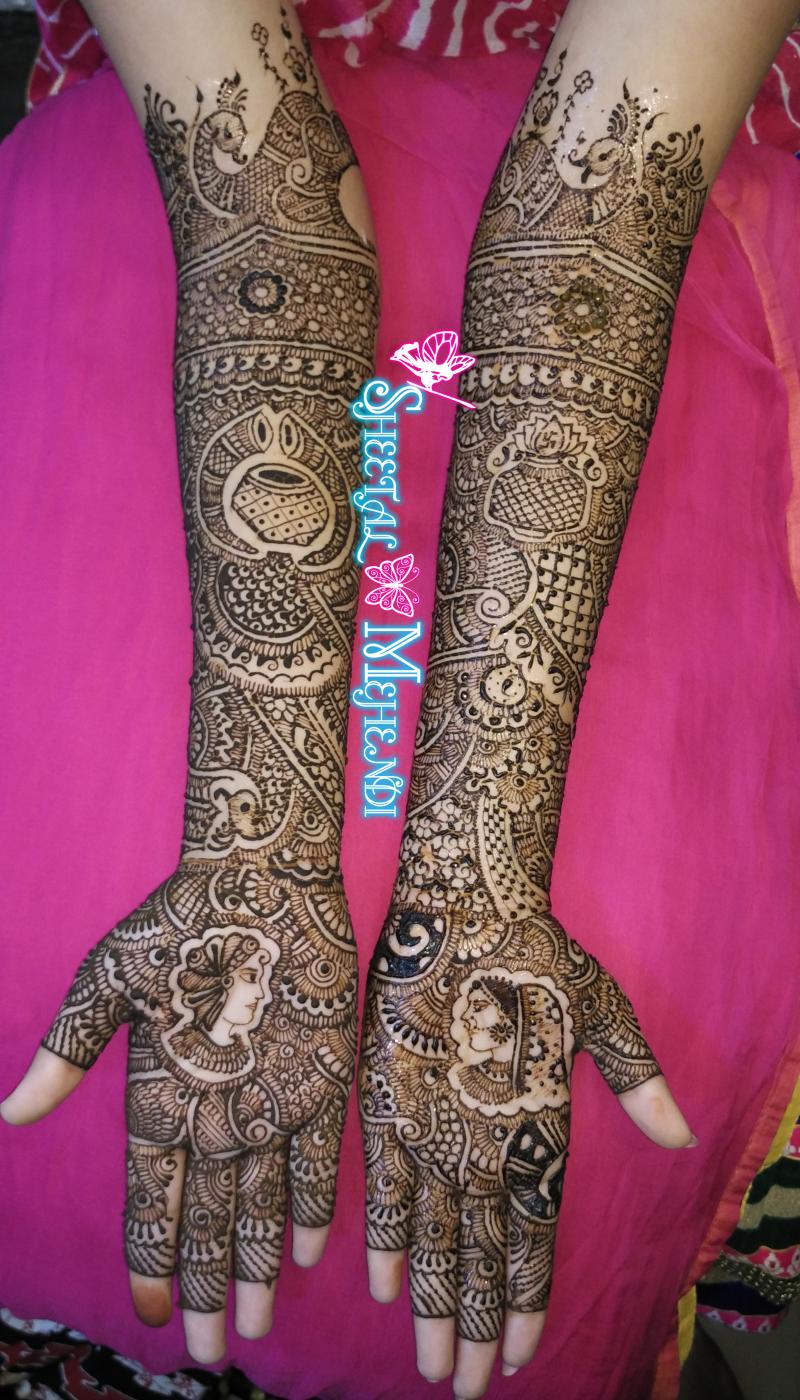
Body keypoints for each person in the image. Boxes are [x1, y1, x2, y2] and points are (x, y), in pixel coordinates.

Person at [1, 4, 798, 1399]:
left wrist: (468, 868)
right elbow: (253, 199)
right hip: (176, 118)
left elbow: (602, 209)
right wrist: (260, 848)